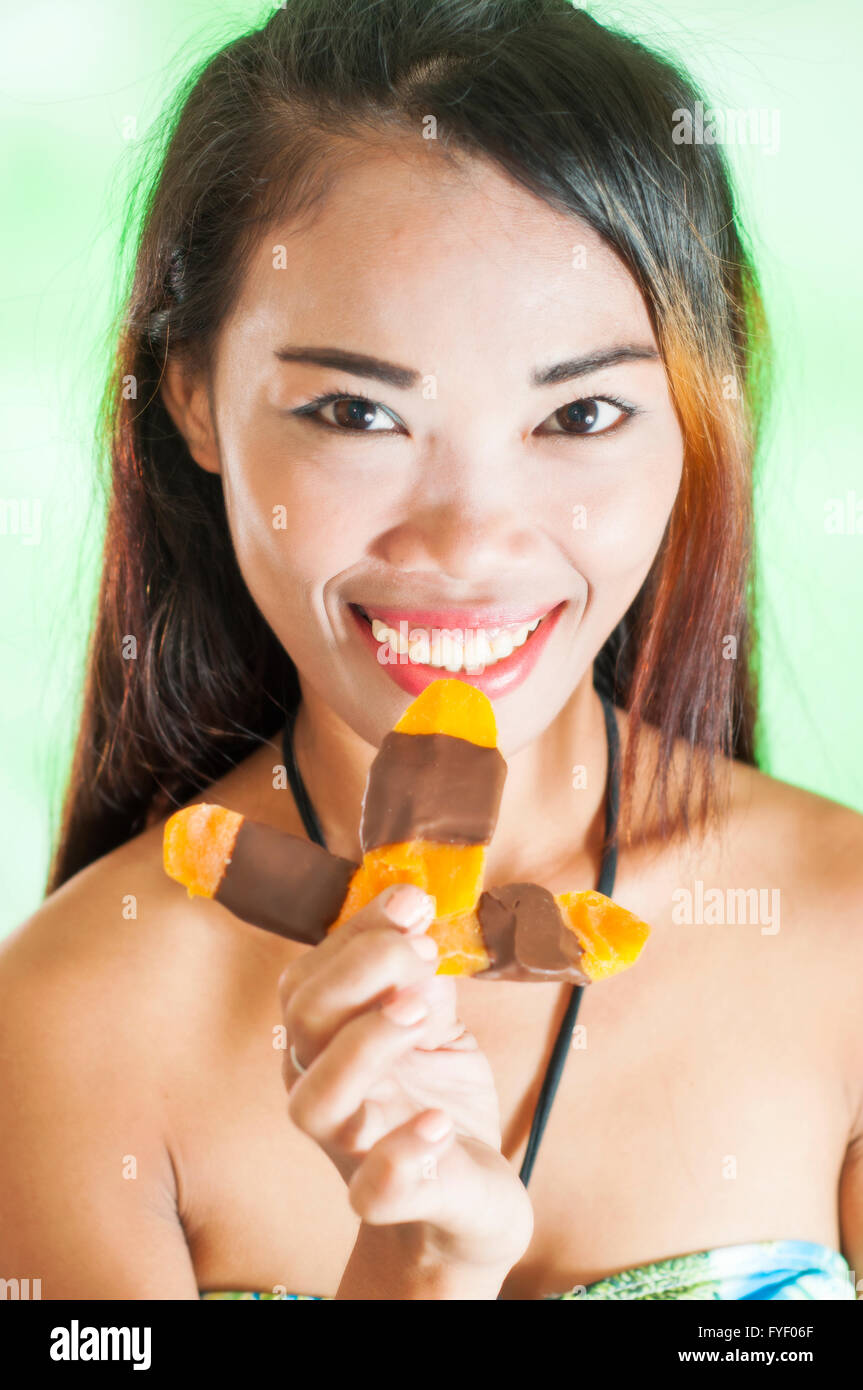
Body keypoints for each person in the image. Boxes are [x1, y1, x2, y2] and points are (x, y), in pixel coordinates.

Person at [1, 0, 861, 1301]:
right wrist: (413, 1272)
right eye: (356, 409)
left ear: (695, 410)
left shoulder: (845, 935)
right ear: (191, 396)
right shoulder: (66, 1027)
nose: (469, 543)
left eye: (580, 411)